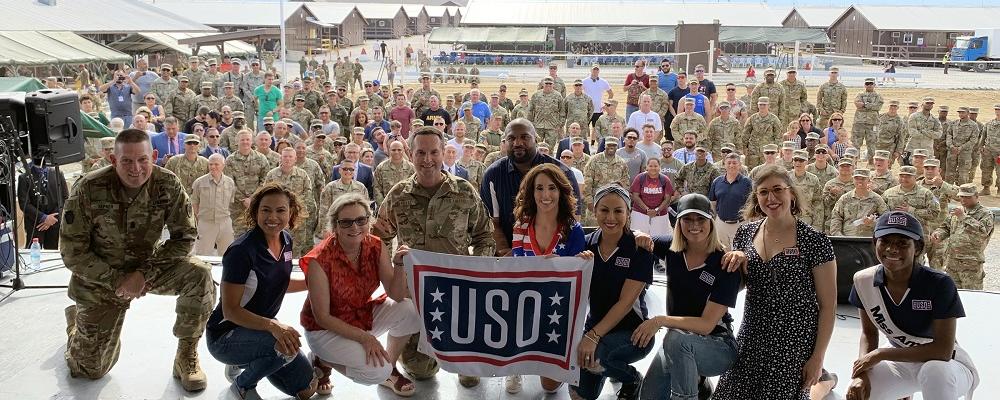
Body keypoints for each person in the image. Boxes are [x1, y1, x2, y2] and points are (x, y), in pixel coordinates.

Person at [61, 129, 215, 390]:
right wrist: (119, 280)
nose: (136, 169)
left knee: (199, 274)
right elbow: (72, 251)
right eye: (127, 161)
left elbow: (185, 237)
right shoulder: (88, 188)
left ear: (154, 156)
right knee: (90, 370)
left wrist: (144, 274)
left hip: (148, 269)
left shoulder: (167, 183)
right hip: (100, 278)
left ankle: (186, 355)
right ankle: (77, 326)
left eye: (143, 160)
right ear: (113, 160)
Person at [372, 126, 495, 388]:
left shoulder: (463, 191)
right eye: (421, 153)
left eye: (434, 152)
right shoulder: (398, 195)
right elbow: (378, 238)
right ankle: (422, 354)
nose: (427, 159)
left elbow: (485, 237)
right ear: (410, 154)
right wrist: (392, 272)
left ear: (443, 153)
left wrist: (475, 271)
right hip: (416, 292)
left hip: (459, 290)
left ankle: (465, 358)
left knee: (470, 374)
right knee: (421, 371)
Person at [714, 165, 837, 399]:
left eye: (778, 189)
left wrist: (817, 358)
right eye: (763, 192)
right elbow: (739, 285)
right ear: (756, 197)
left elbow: (828, 306)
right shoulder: (745, 234)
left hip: (794, 340)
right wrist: (736, 263)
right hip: (752, 335)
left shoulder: (814, 241)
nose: (771, 198)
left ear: (791, 193)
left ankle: (824, 381)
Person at [846, 211, 978, 400]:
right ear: (875, 243)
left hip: (947, 366)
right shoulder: (863, 281)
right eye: (885, 241)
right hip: (901, 362)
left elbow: (943, 351)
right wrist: (861, 375)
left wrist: (881, 353)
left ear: (917, 248)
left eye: (902, 243)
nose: (892, 249)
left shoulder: (939, 283)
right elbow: (869, 333)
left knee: (934, 372)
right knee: (859, 392)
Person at [205, 182, 318, 400]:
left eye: (280, 210)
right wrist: (273, 325)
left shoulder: (286, 241)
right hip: (225, 335)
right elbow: (230, 311)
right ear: (255, 211)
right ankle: (241, 386)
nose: (272, 217)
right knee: (281, 346)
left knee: (306, 389)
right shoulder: (241, 251)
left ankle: (246, 361)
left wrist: (312, 283)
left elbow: (278, 282)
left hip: (260, 330)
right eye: (265, 210)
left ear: (291, 212)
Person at [302, 193, 421, 397]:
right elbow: (322, 317)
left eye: (360, 220)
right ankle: (321, 358)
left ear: (369, 220)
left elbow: (397, 295)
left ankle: (389, 370)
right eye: (346, 222)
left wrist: (399, 265)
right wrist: (366, 338)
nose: (355, 227)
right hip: (323, 329)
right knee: (375, 372)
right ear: (335, 226)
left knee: (410, 310)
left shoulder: (376, 245)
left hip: (359, 315)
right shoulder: (319, 260)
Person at [637, 194, 743, 400]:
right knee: (648, 396)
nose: (694, 225)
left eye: (701, 219)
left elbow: (706, 325)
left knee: (675, 339)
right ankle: (698, 382)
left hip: (717, 345)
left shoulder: (725, 264)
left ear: (711, 222)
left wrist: (659, 321)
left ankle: (693, 387)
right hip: (678, 341)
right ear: (678, 223)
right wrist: (638, 234)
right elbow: (635, 237)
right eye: (687, 219)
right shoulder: (671, 248)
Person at [504, 164, 589, 394]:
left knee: (550, 388)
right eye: (539, 188)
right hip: (524, 304)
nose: (545, 195)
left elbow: (575, 284)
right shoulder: (521, 226)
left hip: (555, 309)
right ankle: (515, 363)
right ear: (531, 192)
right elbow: (516, 270)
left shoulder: (574, 230)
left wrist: (577, 261)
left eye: (552, 188)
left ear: (561, 191)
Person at [570, 184, 654, 400]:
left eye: (618, 211)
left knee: (598, 356)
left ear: (628, 213)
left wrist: (592, 336)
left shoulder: (639, 248)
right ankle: (608, 366)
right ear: (594, 210)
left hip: (634, 332)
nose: (611, 217)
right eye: (604, 210)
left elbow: (625, 303)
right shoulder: (586, 244)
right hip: (597, 326)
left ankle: (631, 378)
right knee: (578, 394)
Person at [482, 118, 583, 255]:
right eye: (511, 138)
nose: (517, 143)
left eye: (525, 137)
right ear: (504, 141)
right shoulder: (493, 175)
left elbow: (572, 218)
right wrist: (506, 252)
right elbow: (492, 222)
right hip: (509, 259)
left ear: (535, 138)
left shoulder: (562, 173)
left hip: (556, 258)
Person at [931, 183, 994, 290]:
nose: (963, 199)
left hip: (971, 263)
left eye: (967, 197)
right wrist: (938, 234)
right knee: (953, 294)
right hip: (952, 262)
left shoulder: (985, 213)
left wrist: (964, 217)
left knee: (972, 296)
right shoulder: (957, 211)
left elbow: (983, 232)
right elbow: (946, 227)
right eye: (961, 196)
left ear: (976, 196)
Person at [17, 162, 69, 249]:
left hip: (54, 222)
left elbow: (65, 198)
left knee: (52, 252)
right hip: (34, 224)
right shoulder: (24, 177)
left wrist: (53, 218)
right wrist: (43, 217)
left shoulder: (58, 173)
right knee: (33, 252)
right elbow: (24, 204)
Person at [829, 168, 889, 237]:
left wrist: (873, 223)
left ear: (869, 180)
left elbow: (886, 218)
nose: (860, 181)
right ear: (853, 180)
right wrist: (838, 236)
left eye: (863, 179)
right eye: (857, 178)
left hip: (867, 239)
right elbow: (836, 217)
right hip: (847, 238)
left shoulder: (876, 199)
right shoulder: (845, 198)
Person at [709, 153, 753, 248]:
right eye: (729, 163)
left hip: (741, 224)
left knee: (740, 253)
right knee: (722, 253)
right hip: (721, 224)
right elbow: (713, 202)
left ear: (740, 165)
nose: (731, 165)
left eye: (734, 163)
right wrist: (717, 218)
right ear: (724, 164)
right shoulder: (717, 182)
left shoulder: (747, 182)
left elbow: (752, 202)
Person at [629, 158, 674, 236]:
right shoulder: (640, 178)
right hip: (640, 212)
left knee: (660, 238)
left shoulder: (665, 179)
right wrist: (647, 209)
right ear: (646, 167)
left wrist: (657, 210)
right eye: (650, 166)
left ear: (660, 167)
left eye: (656, 166)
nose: (653, 168)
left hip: (660, 213)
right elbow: (635, 196)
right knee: (638, 236)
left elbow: (667, 198)